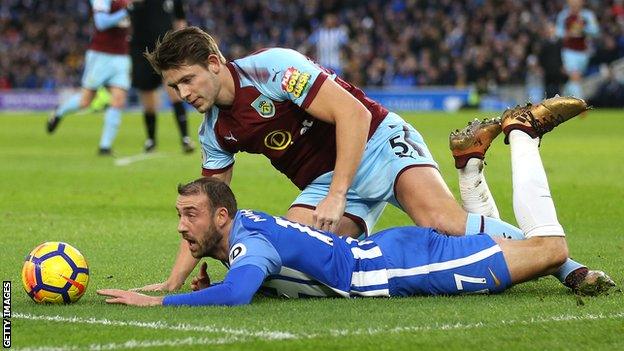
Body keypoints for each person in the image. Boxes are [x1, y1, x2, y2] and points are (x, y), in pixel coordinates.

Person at [133, 27, 607, 295]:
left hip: (377, 141)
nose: (183, 95)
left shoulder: (272, 67)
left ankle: (568, 267)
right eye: (174, 88)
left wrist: (339, 195)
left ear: (215, 62)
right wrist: (177, 279)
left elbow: (353, 115)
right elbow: (206, 206)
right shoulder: (215, 129)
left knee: (441, 221)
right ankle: (469, 168)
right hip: (326, 180)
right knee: (293, 269)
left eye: (188, 80)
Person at [97, 111, 615, 306]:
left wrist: (161, 301)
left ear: (223, 218)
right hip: (387, 253)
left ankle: (523, 135)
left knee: (548, 250)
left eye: (191, 215)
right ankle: (471, 170)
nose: (182, 227)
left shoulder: (247, 245)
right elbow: (264, 274)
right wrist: (186, 280)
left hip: (402, 267)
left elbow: (237, 294)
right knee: (488, 239)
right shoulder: (246, 231)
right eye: (179, 215)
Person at [46, 0, 133, 155]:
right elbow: (101, 23)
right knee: (85, 101)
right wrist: (127, 11)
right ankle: (59, 112)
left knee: (118, 100)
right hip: (101, 55)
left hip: (121, 55)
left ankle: (104, 147)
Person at [128, 0, 195, 153]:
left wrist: (181, 45)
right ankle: (151, 140)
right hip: (141, 49)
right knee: (147, 96)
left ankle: (185, 138)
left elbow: (180, 19)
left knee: (174, 90)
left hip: (167, 49)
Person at [556, 0, 599, 98]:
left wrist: (583, 28)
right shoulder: (563, 15)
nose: (575, 3)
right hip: (569, 51)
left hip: (584, 52)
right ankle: (579, 104)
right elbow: (558, 32)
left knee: (574, 79)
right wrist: (567, 33)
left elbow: (595, 30)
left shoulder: (588, 15)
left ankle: (560, 99)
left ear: (582, 2)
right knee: (575, 76)